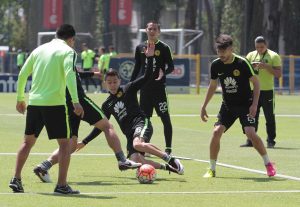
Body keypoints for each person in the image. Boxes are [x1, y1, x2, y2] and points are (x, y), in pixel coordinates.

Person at [77, 42, 184, 175]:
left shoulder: (129, 88)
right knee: (137, 159)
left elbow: (146, 76)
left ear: (120, 81)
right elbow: (101, 126)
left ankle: (171, 159)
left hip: (141, 123)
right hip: (129, 135)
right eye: (109, 82)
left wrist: (150, 58)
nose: (112, 85)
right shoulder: (107, 105)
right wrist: (85, 141)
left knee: (138, 144)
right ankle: (168, 168)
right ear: (105, 84)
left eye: (115, 81)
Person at [9, 24, 84, 194]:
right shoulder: (69, 52)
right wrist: (75, 101)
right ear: (71, 39)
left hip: (34, 102)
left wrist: (20, 99)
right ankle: (62, 185)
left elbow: (22, 74)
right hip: (55, 104)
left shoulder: (39, 49)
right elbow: (70, 74)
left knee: (27, 143)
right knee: (65, 145)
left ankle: (16, 179)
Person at [33, 68, 141, 184]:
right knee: (107, 126)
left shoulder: (52, 60)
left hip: (65, 104)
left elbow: (75, 73)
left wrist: (93, 74)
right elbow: (72, 73)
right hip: (78, 100)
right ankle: (122, 159)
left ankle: (44, 167)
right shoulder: (68, 54)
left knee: (72, 145)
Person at [200, 34, 276, 178]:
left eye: (224, 51)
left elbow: (256, 83)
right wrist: (204, 106)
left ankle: (268, 164)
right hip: (228, 105)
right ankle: (211, 168)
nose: (221, 54)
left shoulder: (242, 63)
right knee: (216, 132)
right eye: (218, 51)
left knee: (250, 133)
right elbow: (213, 85)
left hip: (245, 105)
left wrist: (254, 105)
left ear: (231, 49)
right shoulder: (216, 65)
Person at [130, 21, 174, 155]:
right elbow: (137, 68)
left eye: (155, 29)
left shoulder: (165, 48)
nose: (152, 31)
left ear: (158, 32)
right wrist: (131, 85)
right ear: (146, 30)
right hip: (145, 91)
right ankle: (144, 147)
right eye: (150, 29)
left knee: (165, 119)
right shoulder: (140, 47)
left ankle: (168, 149)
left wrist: (163, 72)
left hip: (159, 90)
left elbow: (171, 67)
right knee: (145, 120)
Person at [240, 36, 282, 148]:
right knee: (252, 115)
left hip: (267, 91)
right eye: (257, 47)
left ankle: (271, 141)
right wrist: (251, 68)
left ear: (266, 45)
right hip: (253, 91)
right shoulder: (250, 55)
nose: (259, 49)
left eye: (262, 47)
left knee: (269, 117)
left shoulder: (274, 56)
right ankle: (250, 140)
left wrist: (267, 67)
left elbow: (278, 74)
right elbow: (244, 72)